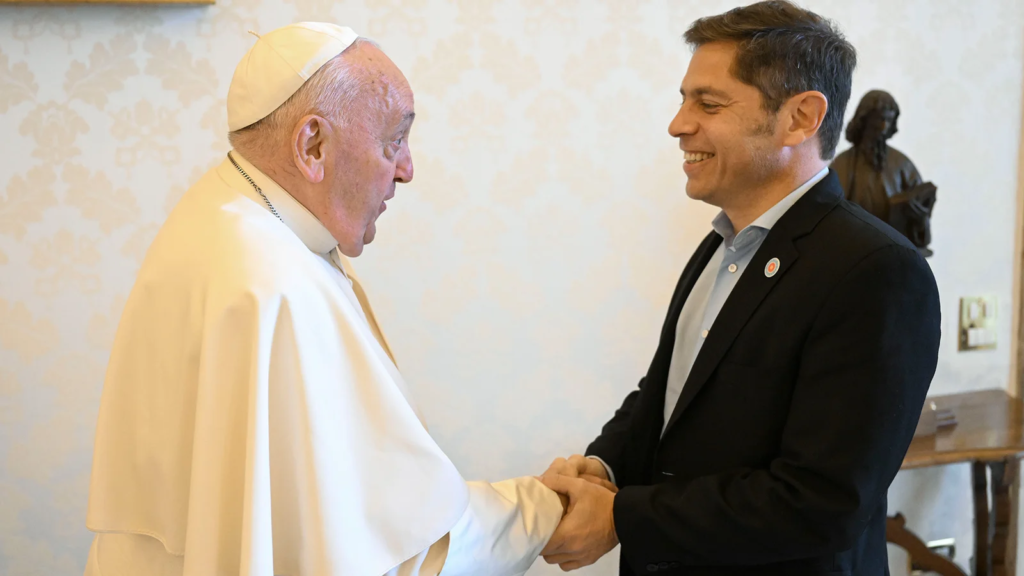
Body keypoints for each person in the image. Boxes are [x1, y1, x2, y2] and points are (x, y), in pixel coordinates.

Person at [84, 23, 563, 576]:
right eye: (394, 141)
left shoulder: (218, 213)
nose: (406, 169)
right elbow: (396, 556)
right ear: (313, 145)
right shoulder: (274, 283)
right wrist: (546, 509)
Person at [540, 2, 941, 575]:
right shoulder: (721, 244)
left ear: (800, 118)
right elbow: (671, 393)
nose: (678, 124)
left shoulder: (878, 272)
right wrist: (602, 467)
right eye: (683, 99)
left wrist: (622, 517)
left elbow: (822, 502)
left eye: (707, 102)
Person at [831, 90, 937, 256]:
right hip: (854, 252)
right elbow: (830, 211)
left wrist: (918, 214)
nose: (883, 127)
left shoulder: (903, 165)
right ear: (864, 120)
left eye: (888, 120)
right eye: (879, 119)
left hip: (897, 252)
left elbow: (921, 221)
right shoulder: (843, 164)